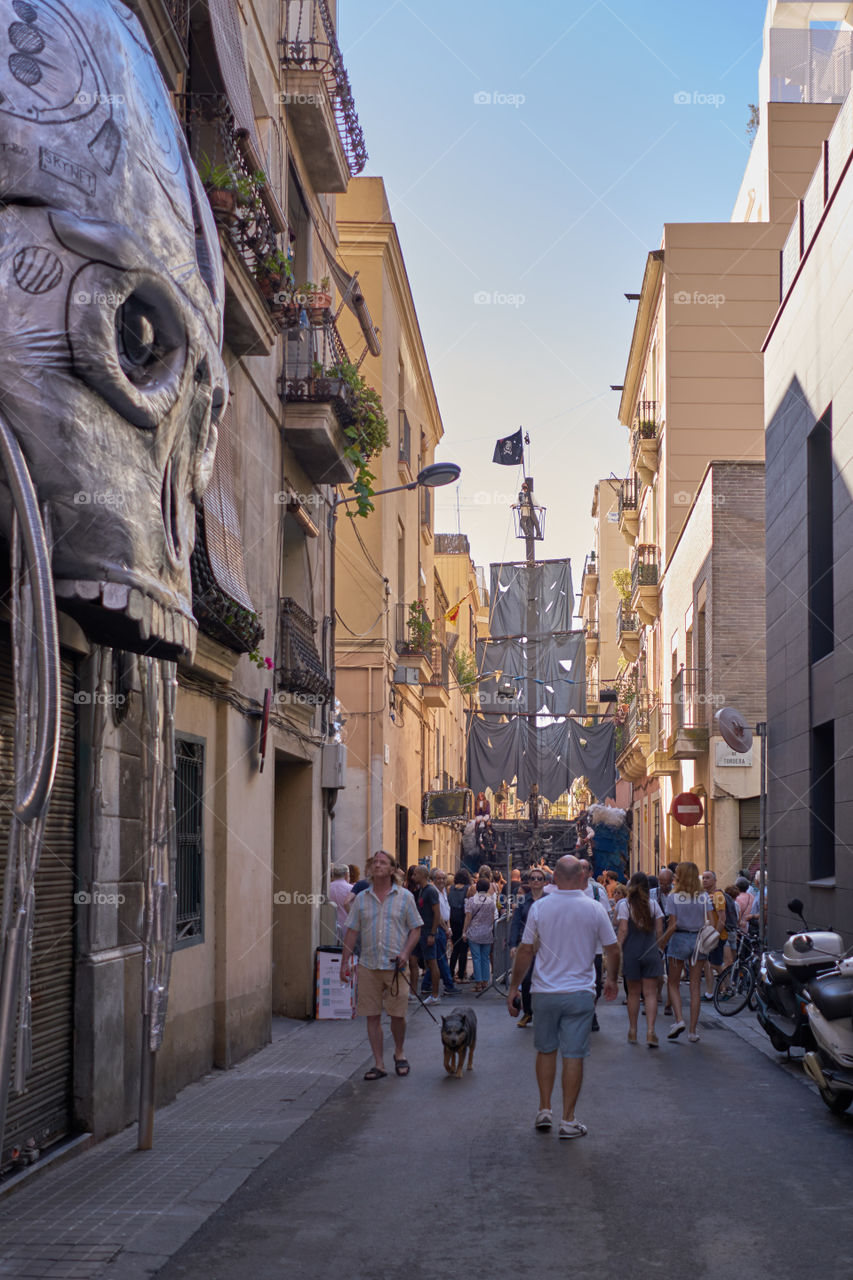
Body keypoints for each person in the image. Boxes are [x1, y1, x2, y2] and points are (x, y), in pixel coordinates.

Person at [507, 856, 619, 1139]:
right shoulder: (594, 908)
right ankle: (568, 1120)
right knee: (574, 1054)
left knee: (545, 1050)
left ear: (553, 877)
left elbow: (525, 950)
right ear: (583, 876)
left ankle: (544, 1109)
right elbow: (613, 949)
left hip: (545, 992)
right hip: (580, 992)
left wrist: (514, 988)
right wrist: (612, 980)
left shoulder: (540, 908)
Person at [340, 850, 423, 1080]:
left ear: (392, 869)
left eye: (382, 862)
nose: (377, 865)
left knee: (398, 1015)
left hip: (396, 966)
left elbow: (416, 928)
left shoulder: (405, 897)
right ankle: (378, 1063)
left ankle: (399, 1051)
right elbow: (352, 932)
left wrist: (406, 952)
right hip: (368, 965)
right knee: (372, 1015)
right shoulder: (361, 899)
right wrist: (344, 962)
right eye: (374, 862)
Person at [660, 861, 724, 1042]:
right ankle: (693, 1031)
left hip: (679, 939)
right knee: (695, 986)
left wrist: (662, 942)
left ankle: (679, 1019)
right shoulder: (704, 896)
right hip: (698, 940)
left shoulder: (674, 897)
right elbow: (712, 922)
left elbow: (672, 925)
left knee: (673, 983)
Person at [616, 872, 664, 1047]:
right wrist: (659, 948)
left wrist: (617, 950)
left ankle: (633, 1030)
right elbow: (659, 931)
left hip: (632, 952)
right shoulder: (654, 905)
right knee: (650, 993)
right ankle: (651, 1031)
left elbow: (623, 930)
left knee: (633, 994)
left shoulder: (625, 906)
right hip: (650, 951)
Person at [510, 867, 546, 1026]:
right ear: (529, 882)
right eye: (533, 878)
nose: (536, 881)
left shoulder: (550, 899)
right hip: (527, 946)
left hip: (547, 946)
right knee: (526, 979)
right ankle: (528, 1013)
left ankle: (545, 1013)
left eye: (539, 878)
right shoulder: (523, 901)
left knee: (546, 980)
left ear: (544, 882)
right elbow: (515, 923)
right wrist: (512, 944)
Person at [420, 868, 457, 997]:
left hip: (444, 927)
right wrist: (446, 929)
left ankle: (426, 985)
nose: (441, 880)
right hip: (438, 928)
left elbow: (447, 911)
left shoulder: (444, 892)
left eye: (443, 878)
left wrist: (449, 927)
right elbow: (438, 915)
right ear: (433, 880)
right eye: (438, 878)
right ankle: (449, 985)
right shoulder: (434, 892)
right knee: (441, 959)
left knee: (436, 959)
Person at [410, 865, 443, 1005]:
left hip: (427, 933)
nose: (412, 877)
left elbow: (437, 913)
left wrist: (432, 933)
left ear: (423, 875)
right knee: (412, 961)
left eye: (415, 874)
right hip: (418, 932)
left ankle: (435, 995)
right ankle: (412, 993)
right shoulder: (422, 890)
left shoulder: (430, 891)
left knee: (431, 962)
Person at [463, 876, 497, 992]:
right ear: (488, 888)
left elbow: (468, 918)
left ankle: (478, 983)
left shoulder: (471, 901)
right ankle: (485, 981)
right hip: (487, 933)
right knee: (485, 958)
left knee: (476, 958)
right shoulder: (491, 902)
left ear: (477, 888)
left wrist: (464, 931)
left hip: (474, 933)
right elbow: (492, 919)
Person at [447, 869, 471, 982]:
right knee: (463, 949)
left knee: (455, 948)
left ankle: (450, 972)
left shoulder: (449, 889)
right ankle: (461, 974)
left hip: (452, 920)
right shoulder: (468, 889)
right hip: (463, 920)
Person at [327, 863, 354, 944]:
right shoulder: (351, 889)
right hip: (347, 930)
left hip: (330, 928)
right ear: (346, 875)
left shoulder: (328, 888)